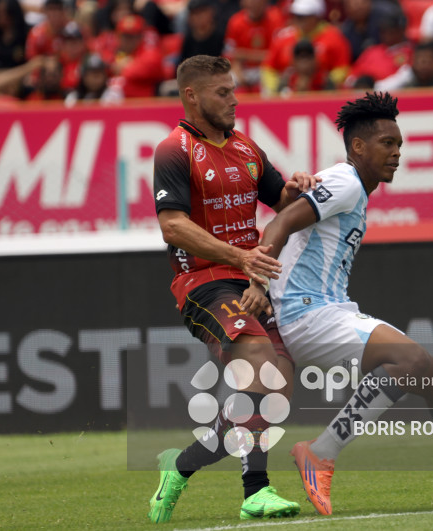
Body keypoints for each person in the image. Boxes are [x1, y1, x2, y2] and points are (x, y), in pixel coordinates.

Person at [239, 92, 433, 516]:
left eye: (399, 144)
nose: (397, 153)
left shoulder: (354, 188)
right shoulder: (344, 182)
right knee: (415, 362)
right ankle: (320, 453)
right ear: (358, 146)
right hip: (305, 313)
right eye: (387, 143)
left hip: (327, 310)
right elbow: (281, 221)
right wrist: (257, 280)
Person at [148, 55, 320, 523]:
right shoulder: (174, 150)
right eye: (222, 92)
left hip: (249, 280)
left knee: (276, 390)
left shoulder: (245, 147)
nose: (233, 99)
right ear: (192, 95)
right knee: (261, 368)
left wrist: (296, 187)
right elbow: (173, 226)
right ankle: (255, 491)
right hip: (204, 282)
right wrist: (240, 257)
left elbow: (279, 197)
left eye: (233, 90)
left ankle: (179, 465)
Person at [261, 0, 352, 95]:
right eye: (296, 16)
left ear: (316, 16)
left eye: (303, 16)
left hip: (322, 91)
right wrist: (276, 89)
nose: (298, 20)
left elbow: (342, 67)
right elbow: (268, 68)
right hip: (287, 91)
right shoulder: (283, 37)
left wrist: (325, 85)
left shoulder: (334, 37)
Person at [223, 0, 286, 92]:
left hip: (268, 68)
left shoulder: (276, 18)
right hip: (244, 68)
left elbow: (277, 55)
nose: (254, 3)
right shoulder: (235, 22)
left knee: (273, 85)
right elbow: (230, 55)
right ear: (242, 3)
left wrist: (244, 54)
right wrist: (238, 71)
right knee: (228, 81)